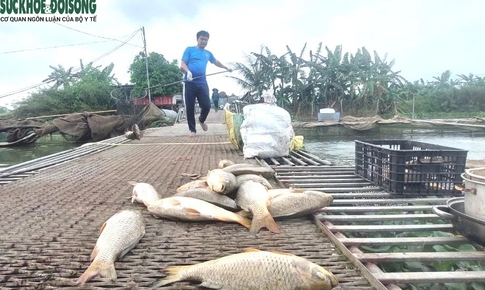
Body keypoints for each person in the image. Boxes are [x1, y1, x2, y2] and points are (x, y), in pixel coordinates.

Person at [180, 30, 232, 136]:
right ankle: (192, 130)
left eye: (206, 40)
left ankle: (202, 120)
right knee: (189, 106)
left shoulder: (208, 54)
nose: (204, 41)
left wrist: (226, 67)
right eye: (202, 39)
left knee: (207, 105)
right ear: (197, 39)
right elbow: (182, 64)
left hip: (202, 82)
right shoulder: (189, 50)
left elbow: (216, 61)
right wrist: (188, 72)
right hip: (190, 82)